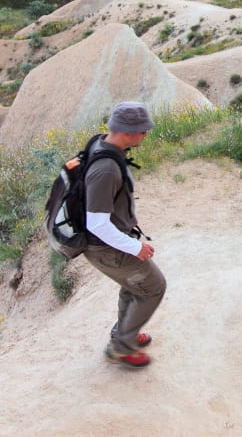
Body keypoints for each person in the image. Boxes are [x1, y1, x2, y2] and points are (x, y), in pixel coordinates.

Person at [83, 101, 166, 369]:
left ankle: (124, 333)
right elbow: (97, 223)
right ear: (128, 132)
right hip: (105, 247)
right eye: (143, 130)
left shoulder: (102, 145)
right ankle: (122, 347)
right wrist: (134, 247)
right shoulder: (106, 169)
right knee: (154, 287)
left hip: (112, 242)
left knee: (134, 284)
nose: (146, 134)